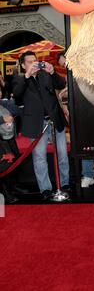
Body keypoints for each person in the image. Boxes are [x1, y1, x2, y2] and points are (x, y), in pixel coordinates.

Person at [12, 51, 70, 201]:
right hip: (35, 124)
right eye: (30, 62)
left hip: (54, 120)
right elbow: (17, 95)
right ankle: (45, 188)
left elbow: (61, 84)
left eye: (35, 60)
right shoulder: (19, 79)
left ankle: (64, 184)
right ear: (24, 65)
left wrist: (52, 72)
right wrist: (27, 76)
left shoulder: (45, 75)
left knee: (63, 154)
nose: (34, 64)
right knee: (39, 158)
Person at [0, 85, 22, 203]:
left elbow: (17, 111)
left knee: (15, 161)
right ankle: (6, 192)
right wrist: (3, 120)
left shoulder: (3, 103)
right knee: (4, 165)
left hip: (9, 138)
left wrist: (8, 104)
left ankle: (13, 187)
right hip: (1, 142)